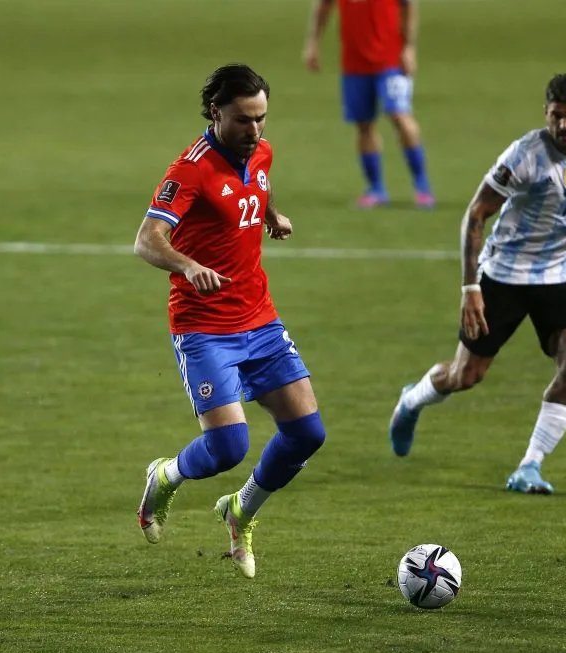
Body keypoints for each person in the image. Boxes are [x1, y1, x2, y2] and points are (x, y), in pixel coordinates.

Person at [388, 73, 566, 493]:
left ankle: (530, 466)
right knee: (465, 376)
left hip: (559, 276)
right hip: (503, 274)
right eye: (556, 115)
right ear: (546, 113)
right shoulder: (524, 156)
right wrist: (471, 289)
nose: (564, 125)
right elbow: (476, 214)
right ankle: (411, 401)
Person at [134, 65, 327, 579]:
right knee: (228, 447)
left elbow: (247, 190)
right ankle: (166, 474)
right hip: (204, 326)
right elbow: (147, 240)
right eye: (244, 120)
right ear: (216, 113)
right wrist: (188, 265)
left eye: (262, 118)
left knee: (307, 432)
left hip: (259, 316)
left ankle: (241, 510)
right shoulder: (188, 169)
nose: (256, 131)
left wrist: (268, 212)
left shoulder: (259, 152)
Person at [303, 0, 434, 208]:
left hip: (391, 60)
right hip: (354, 64)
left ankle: (422, 186)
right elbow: (324, 5)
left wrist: (409, 47)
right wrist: (313, 43)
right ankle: (376, 189)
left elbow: (408, 5)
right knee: (363, 124)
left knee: (399, 116)